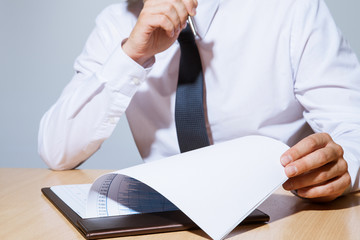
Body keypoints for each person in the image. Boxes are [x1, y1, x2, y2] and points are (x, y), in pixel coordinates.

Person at [38, 0, 360, 202]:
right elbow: (57, 150)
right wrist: (132, 56)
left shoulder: (291, 8)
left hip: (278, 208)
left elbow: (352, 126)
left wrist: (342, 170)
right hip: (169, 215)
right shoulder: (114, 23)